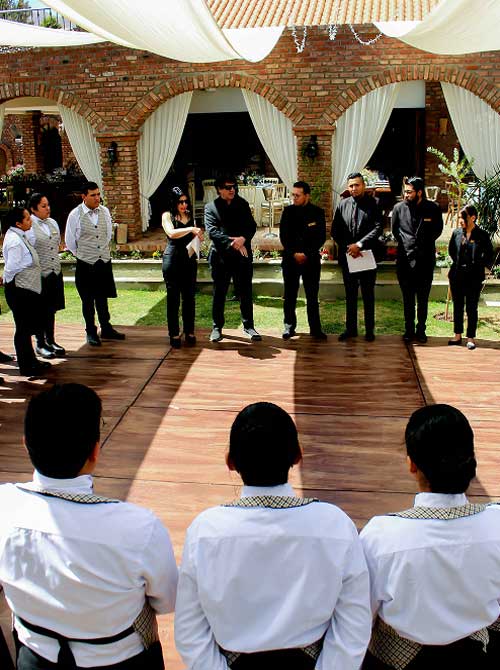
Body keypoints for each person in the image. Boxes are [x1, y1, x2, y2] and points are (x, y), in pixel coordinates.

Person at [175, 401, 372, 670]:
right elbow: (354, 624)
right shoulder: (334, 524)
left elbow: (190, 631)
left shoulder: (205, 531)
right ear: (298, 455)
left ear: (230, 461)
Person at [0, 382, 178, 669]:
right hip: (121, 660)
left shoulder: (5, 506)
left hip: (34, 656)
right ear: (95, 452)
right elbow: (167, 600)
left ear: (25, 443)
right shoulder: (139, 527)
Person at [360, 404, 500, 670]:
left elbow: (361, 615)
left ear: (412, 464)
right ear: (471, 460)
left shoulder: (381, 535)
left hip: (397, 661)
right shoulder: (496, 524)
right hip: (476, 655)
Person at [65, 182, 125, 346]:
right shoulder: (75, 215)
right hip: (86, 263)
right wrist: (84, 255)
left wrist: (101, 253)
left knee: (102, 298)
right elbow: (70, 241)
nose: (97, 198)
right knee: (87, 300)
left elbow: (108, 235)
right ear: (84, 196)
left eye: (98, 194)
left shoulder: (104, 211)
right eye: (93, 195)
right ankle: (91, 331)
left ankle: (106, 328)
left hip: (103, 261)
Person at [205, 175, 261, 343]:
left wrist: (243, 239)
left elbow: (251, 226)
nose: (232, 190)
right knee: (219, 293)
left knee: (245, 292)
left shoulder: (242, 204)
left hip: (242, 257)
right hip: (220, 258)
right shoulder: (210, 207)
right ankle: (217, 327)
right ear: (219, 190)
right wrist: (233, 243)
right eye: (228, 187)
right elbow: (212, 232)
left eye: (234, 187)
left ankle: (249, 326)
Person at [332, 172, 383, 341]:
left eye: (357, 185)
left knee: (368, 294)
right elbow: (335, 230)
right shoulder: (342, 204)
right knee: (350, 294)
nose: (354, 188)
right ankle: (351, 329)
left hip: (366, 254)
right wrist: (349, 247)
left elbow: (378, 228)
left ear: (363, 186)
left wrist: (359, 245)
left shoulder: (374, 203)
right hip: (349, 256)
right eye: (351, 186)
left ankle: (369, 330)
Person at [391, 177, 443, 343]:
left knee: (422, 299)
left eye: (409, 192)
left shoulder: (433, 208)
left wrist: (421, 244)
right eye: (405, 191)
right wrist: (408, 244)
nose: (406, 195)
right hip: (405, 262)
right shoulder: (398, 208)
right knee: (407, 299)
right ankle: (408, 330)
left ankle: (421, 330)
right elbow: (395, 231)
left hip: (425, 261)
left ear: (419, 192)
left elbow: (437, 230)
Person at [1, 207, 50, 377]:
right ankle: (26, 365)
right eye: (28, 219)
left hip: (27, 288)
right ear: (18, 223)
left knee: (27, 327)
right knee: (23, 328)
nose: (31, 221)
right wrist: (7, 282)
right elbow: (11, 268)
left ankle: (31, 361)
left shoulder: (21, 235)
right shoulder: (15, 241)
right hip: (20, 290)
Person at [279, 181, 327, 340]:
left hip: (311, 260)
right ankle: (289, 326)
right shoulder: (287, 212)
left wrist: (306, 253)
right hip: (290, 260)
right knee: (290, 295)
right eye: (292, 195)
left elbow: (320, 237)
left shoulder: (318, 212)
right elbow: (283, 236)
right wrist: (294, 253)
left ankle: (315, 329)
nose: (294, 198)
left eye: (297, 195)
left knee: (312, 296)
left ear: (307, 196)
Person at [162, 187, 203, 348]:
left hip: (189, 259)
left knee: (189, 298)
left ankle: (189, 331)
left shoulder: (190, 216)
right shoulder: (167, 216)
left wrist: (198, 236)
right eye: (180, 202)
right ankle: (173, 333)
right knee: (173, 299)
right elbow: (171, 233)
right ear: (174, 202)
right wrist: (191, 229)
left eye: (186, 201)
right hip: (173, 259)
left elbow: (195, 236)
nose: (184, 205)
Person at [448, 205, 494, 350]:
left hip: (474, 277)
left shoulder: (482, 235)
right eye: (459, 218)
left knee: (471, 307)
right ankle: (457, 335)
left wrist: (479, 265)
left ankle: (470, 338)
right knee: (457, 306)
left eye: (463, 218)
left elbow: (489, 255)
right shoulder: (456, 233)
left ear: (473, 218)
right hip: (457, 275)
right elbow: (451, 251)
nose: (460, 220)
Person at [27, 193, 66, 359]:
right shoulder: (29, 226)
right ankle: (40, 343)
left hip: (54, 272)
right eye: (43, 206)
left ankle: (51, 340)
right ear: (33, 209)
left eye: (48, 205)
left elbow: (56, 245)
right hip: (40, 274)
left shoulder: (52, 223)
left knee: (51, 309)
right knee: (40, 310)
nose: (47, 208)